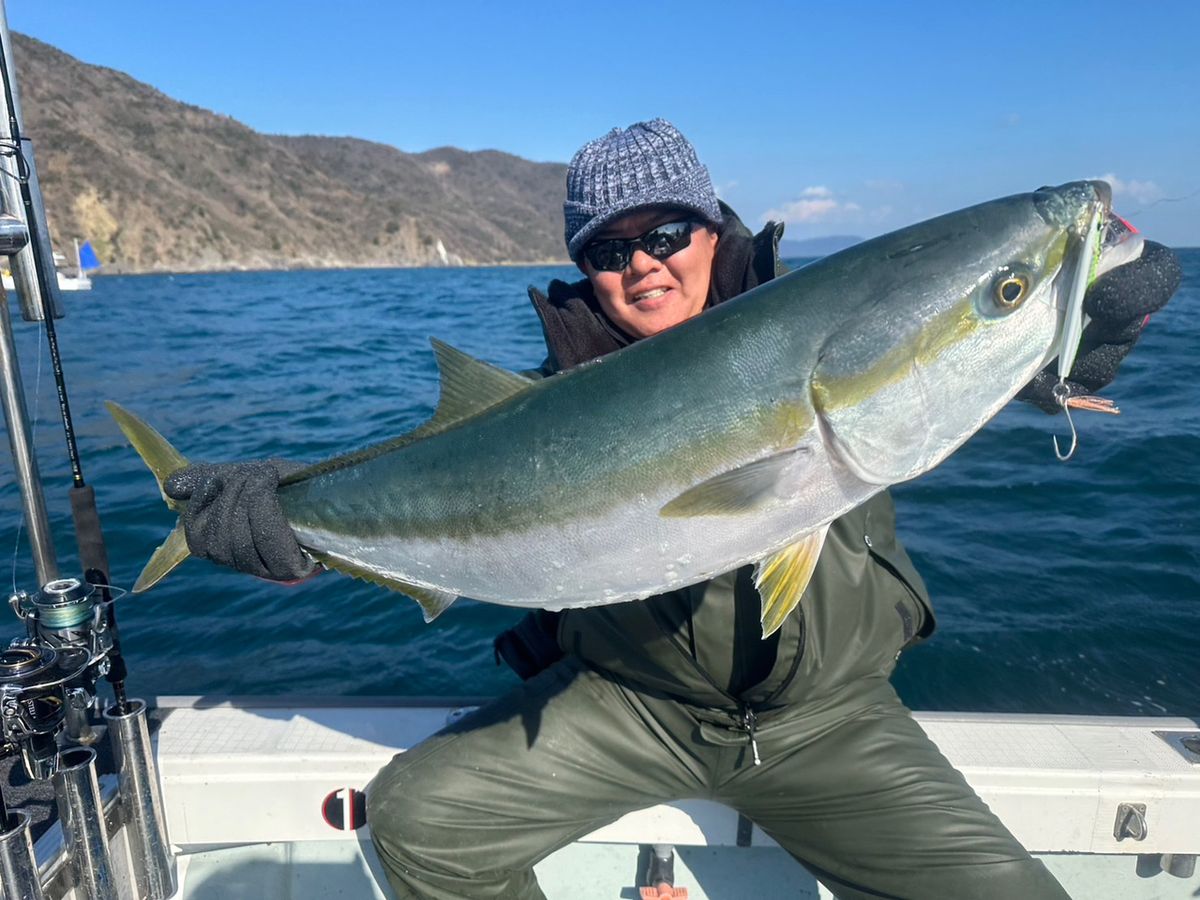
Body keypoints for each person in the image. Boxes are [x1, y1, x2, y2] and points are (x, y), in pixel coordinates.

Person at [164, 119, 1181, 899]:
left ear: (714, 227)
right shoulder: (543, 404)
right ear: (585, 270)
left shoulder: (829, 313)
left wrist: (1070, 333)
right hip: (629, 705)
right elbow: (433, 508)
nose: (644, 262)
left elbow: (930, 363)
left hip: (830, 720)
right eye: (611, 251)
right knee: (424, 820)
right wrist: (290, 530)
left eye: (668, 231)